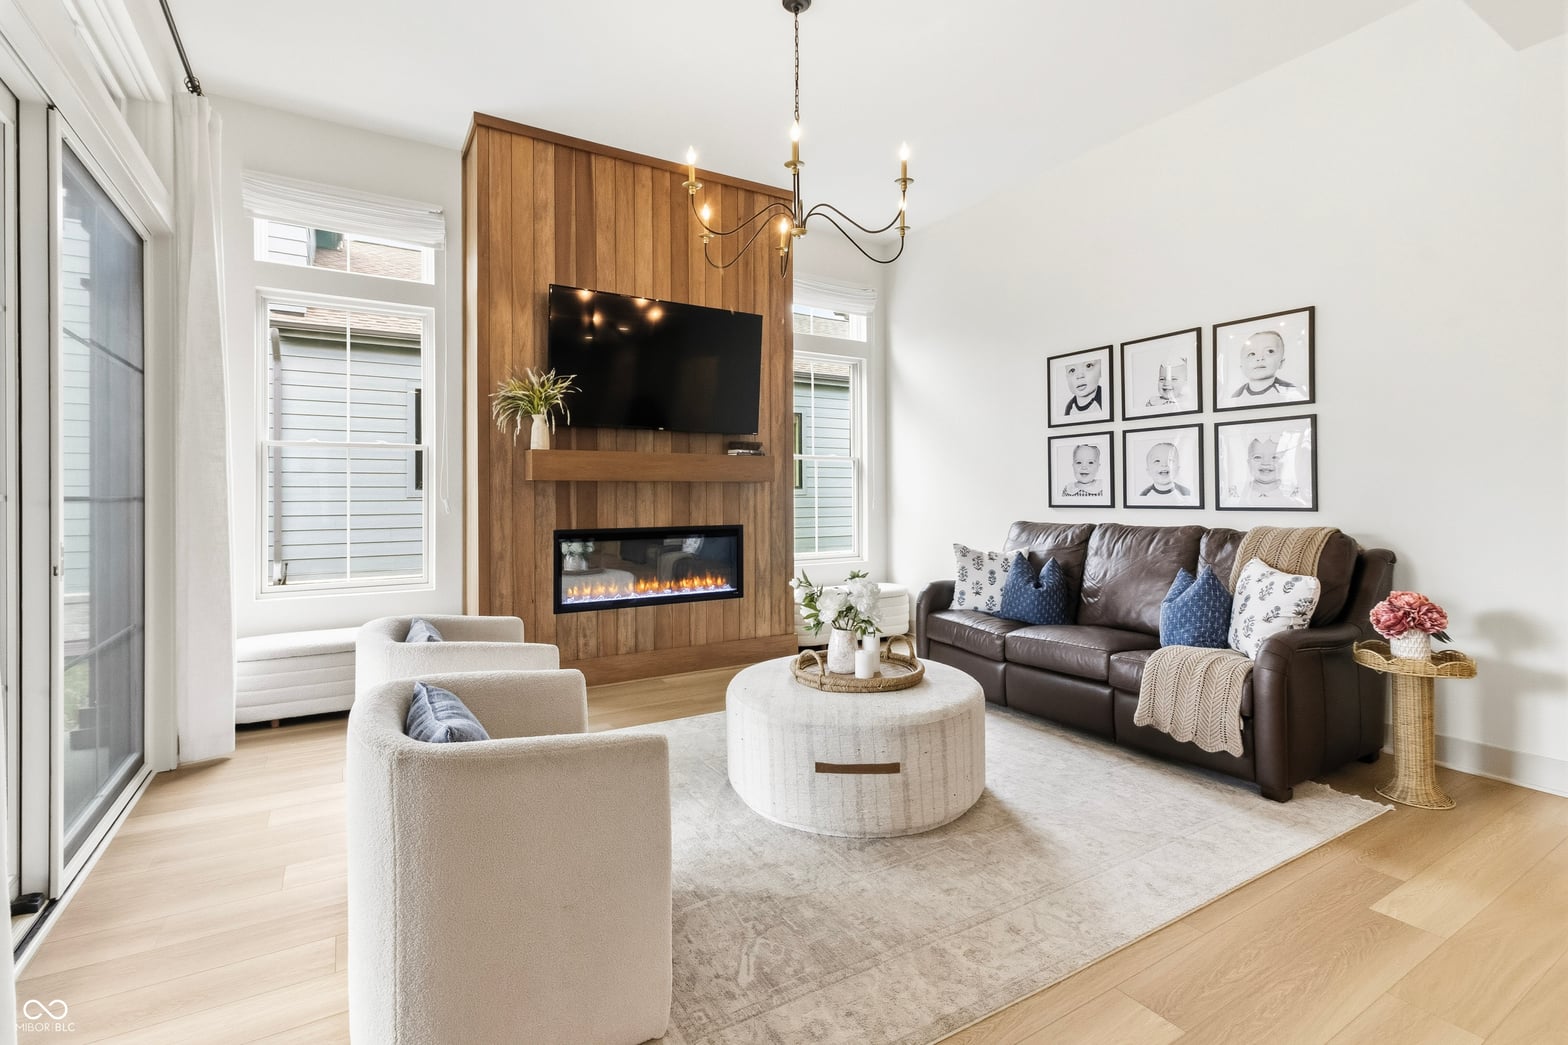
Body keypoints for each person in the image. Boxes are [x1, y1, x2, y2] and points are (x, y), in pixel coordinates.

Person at [1229, 330, 1305, 401]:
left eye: (1270, 351)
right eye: (1252, 354)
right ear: (1242, 367)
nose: (1260, 358)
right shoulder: (1237, 395)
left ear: (1281, 363)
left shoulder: (1290, 392)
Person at [1237, 436, 1306, 507]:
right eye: (1257, 457)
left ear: (1282, 464)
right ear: (1249, 464)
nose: (1266, 462)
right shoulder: (1237, 500)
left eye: (1274, 457)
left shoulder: (1295, 504)